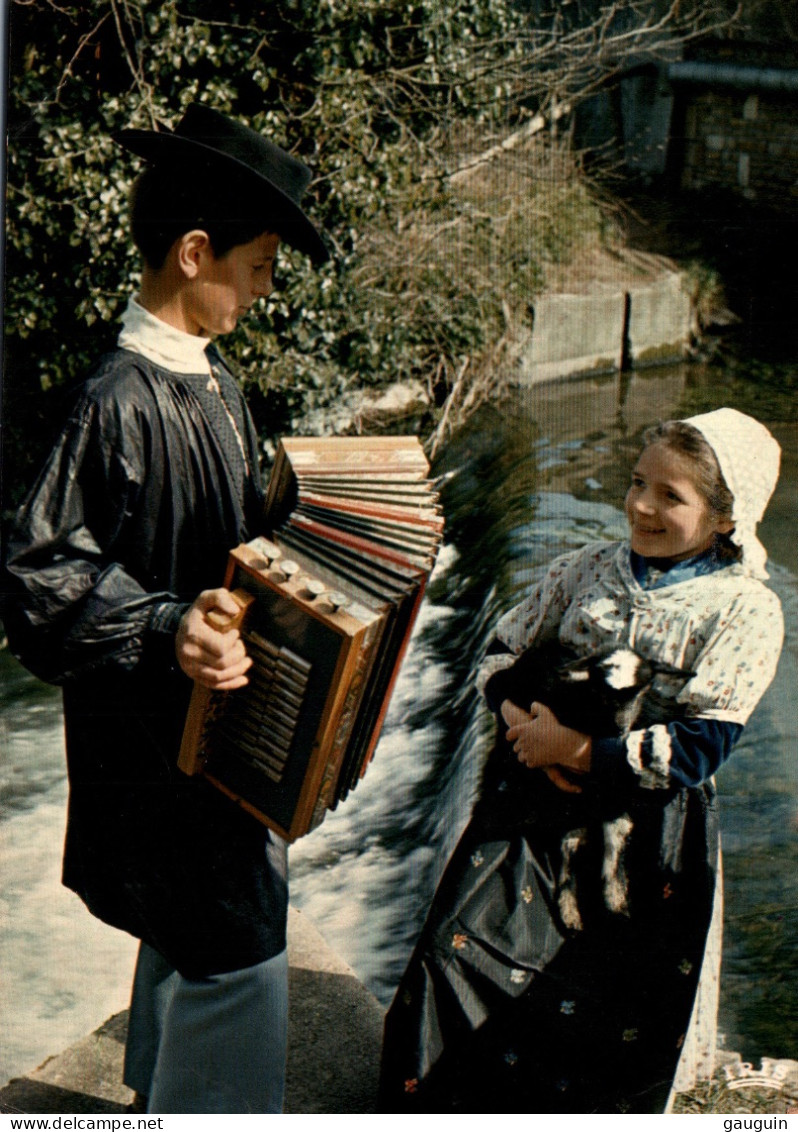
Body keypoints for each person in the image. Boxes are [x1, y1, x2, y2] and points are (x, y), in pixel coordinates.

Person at [2, 101, 329, 1113]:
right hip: (156, 744)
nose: (269, 287)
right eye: (262, 262)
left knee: (200, 921)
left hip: (210, 737)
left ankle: (159, 1087)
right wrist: (160, 625)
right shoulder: (116, 397)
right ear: (196, 253)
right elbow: (35, 573)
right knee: (238, 936)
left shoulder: (214, 384)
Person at [378, 408, 783, 1114]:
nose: (641, 506)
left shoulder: (744, 611)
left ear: (725, 518)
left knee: (605, 1007)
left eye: (671, 496)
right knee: (456, 955)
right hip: (531, 807)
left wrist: (575, 751)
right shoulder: (584, 570)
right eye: (636, 483)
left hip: (646, 839)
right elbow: (501, 653)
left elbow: (698, 746)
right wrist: (521, 723)